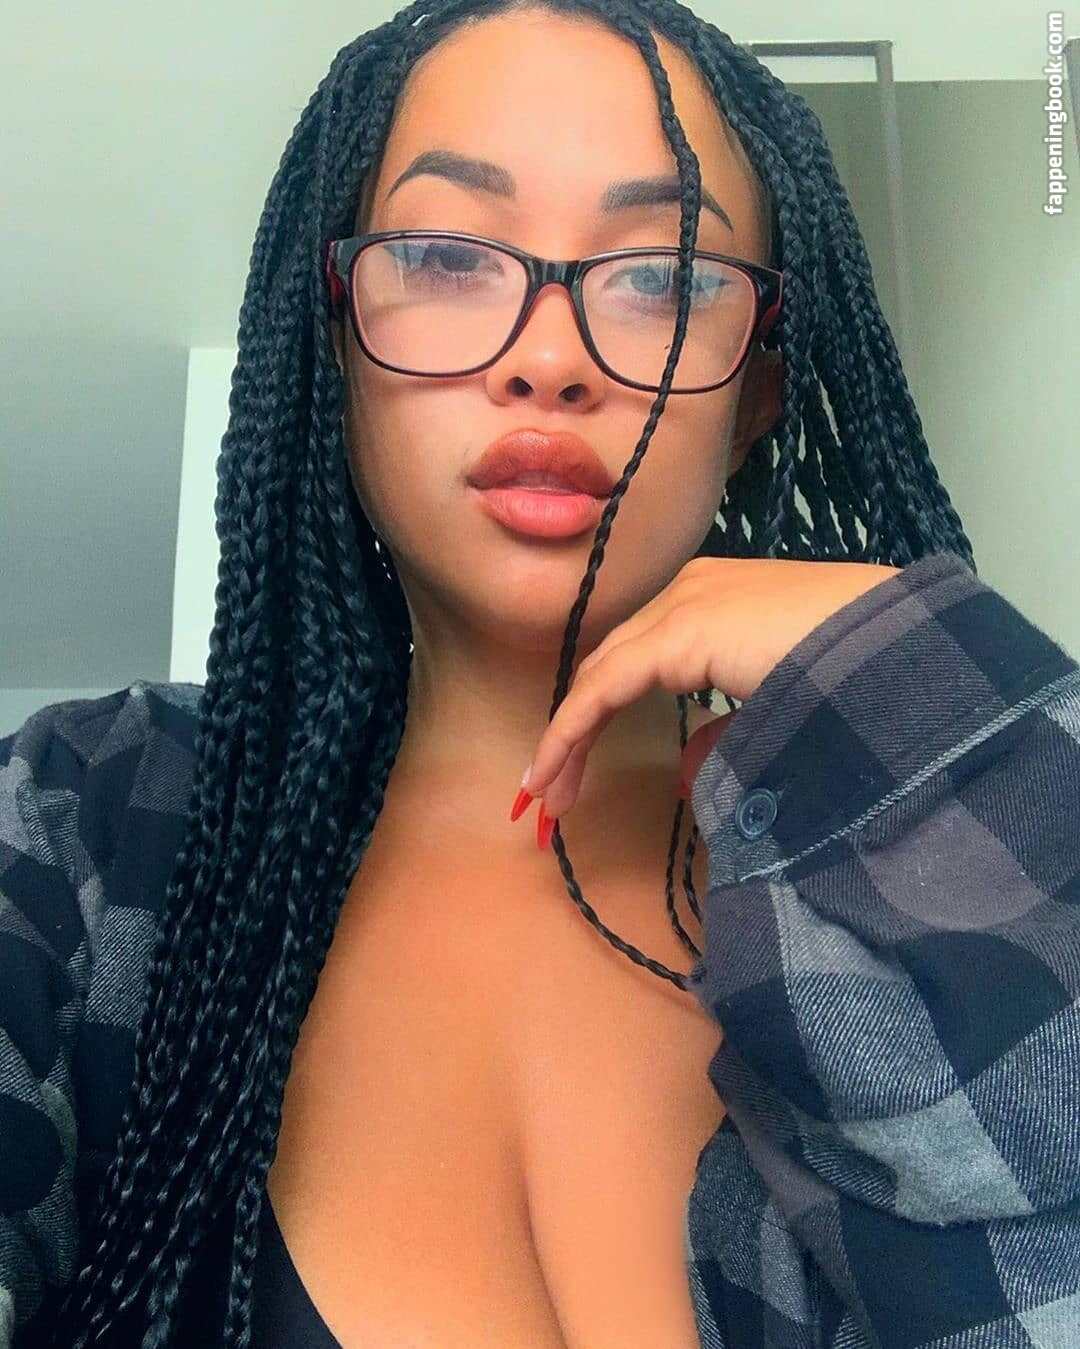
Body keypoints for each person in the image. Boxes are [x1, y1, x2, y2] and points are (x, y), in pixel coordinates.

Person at [3, 0, 1077, 1345]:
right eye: (445, 255)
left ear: (754, 398)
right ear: (331, 343)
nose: (552, 361)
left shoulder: (911, 870)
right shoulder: (78, 824)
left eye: (665, 275)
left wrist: (926, 701)